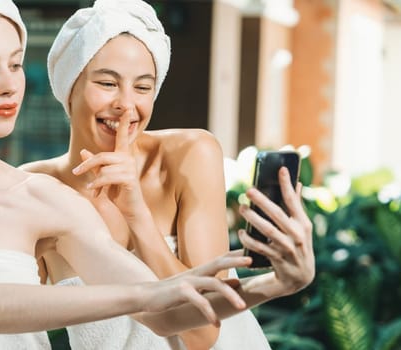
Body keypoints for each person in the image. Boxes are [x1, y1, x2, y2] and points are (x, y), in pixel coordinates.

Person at [0, 0, 314, 349]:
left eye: (16, 65)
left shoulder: (45, 198)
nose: (8, 85)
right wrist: (146, 292)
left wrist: (275, 284)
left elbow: (171, 319)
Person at [20, 0, 312, 349]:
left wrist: (137, 214)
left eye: (143, 88)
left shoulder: (190, 153)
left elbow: (202, 333)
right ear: (70, 88)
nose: (127, 104)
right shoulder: (36, 189)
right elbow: (16, 324)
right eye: (108, 83)